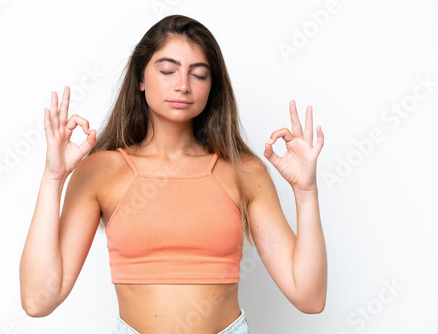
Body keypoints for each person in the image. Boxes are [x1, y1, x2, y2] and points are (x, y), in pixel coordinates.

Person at [19, 14, 327, 334]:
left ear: (212, 87)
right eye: (168, 70)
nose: (183, 84)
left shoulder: (243, 171)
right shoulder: (100, 170)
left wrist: (305, 191)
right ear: (140, 78)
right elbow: (38, 301)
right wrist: (53, 178)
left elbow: (309, 297)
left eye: (199, 74)